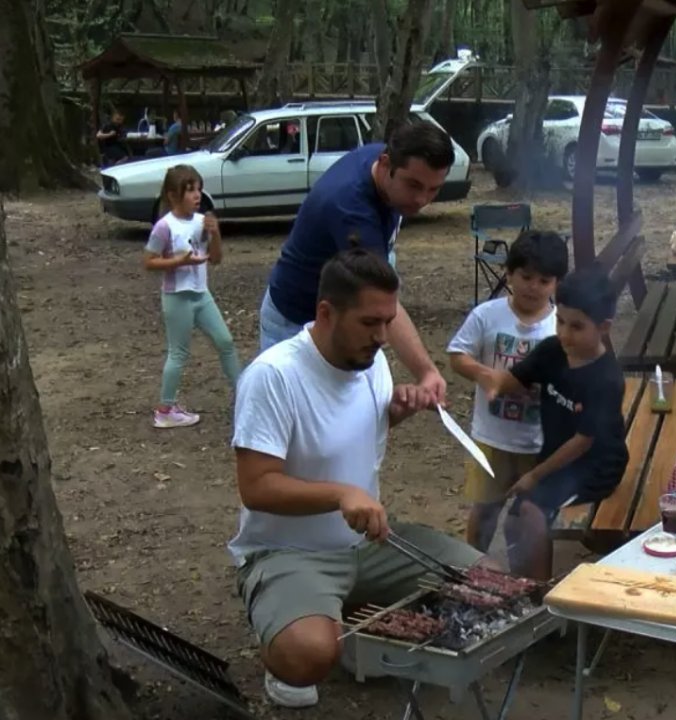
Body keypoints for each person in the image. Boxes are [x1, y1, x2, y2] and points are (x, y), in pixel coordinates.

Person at [230, 248, 482, 708]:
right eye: (370, 322)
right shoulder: (273, 376)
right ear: (327, 313)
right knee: (307, 655)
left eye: (388, 321)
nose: (383, 336)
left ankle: (346, 621)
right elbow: (256, 486)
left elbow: (349, 435)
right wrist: (341, 494)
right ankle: (296, 626)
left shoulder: (369, 361)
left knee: (488, 584)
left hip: (367, 545)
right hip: (289, 552)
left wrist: (395, 412)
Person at [258, 120, 457, 406]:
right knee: (295, 415)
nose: (421, 199)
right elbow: (382, 302)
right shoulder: (351, 210)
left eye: (433, 189)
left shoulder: (386, 158)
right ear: (385, 164)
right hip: (295, 317)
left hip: (343, 311)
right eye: (413, 185)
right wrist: (426, 371)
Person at [476, 268, 628, 580]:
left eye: (577, 326)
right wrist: (492, 384)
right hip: (557, 461)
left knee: (531, 513)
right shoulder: (552, 351)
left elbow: (583, 442)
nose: (564, 334)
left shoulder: (606, 379)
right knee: (515, 520)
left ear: (604, 327)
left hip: (595, 468)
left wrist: (534, 475)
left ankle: (539, 594)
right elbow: (513, 379)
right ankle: (525, 585)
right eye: (560, 321)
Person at [446, 231, 569, 553]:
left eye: (544, 281)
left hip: (538, 442)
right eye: (526, 277)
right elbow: (457, 355)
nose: (533, 287)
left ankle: (528, 568)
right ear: (509, 273)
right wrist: (484, 375)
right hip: (492, 437)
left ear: (557, 283)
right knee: (485, 508)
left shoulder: (561, 326)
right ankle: (473, 562)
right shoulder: (487, 315)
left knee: (533, 513)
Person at [142, 165, 241, 429]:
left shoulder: (200, 222)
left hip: (201, 294)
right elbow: (149, 262)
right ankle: (165, 410)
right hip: (178, 297)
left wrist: (215, 233)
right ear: (173, 195)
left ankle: (245, 394)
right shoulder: (164, 227)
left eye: (198, 189)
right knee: (179, 352)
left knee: (225, 341)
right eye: (190, 190)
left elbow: (216, 259)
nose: (197, 195)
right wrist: (178, 261)